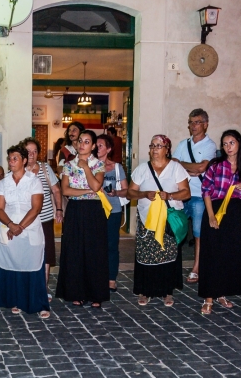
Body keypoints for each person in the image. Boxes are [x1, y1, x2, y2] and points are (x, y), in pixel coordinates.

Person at [127, 135, 190, 306]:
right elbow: (130, 193)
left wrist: (170, 195)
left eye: (159, 145)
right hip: (147, 220)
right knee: (146, 255)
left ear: (167, 149)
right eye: (152, 145)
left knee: (167, 254)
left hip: (168, 220)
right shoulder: (142, 169)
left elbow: (186, 192)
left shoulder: (176, 168)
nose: (155, 149)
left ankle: (166, 292)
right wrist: (143, 194)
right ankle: (145, 291)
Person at [0, 144, 49, 318]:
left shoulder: (34, 180)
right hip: (9, 226)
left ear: (24, 160)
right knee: (13, 265)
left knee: (32, 265)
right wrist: (11, 225)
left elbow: (36, 208)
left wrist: (20, 226)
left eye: (15, 158)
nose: (11, 161)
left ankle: (39, 303)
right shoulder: (4, 182)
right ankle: (17, 300)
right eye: (9, 158)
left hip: (29, 227)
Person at [199, 130, 241, 315]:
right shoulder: (216, 165)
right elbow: (206, 190)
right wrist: (211, 216)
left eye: (231, 143)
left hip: (236, 213)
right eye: (224, 144)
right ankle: (208, 297)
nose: (228, 147)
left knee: (229, 254)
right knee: (213, 253)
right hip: (216, 209)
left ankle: (221, 293)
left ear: (239, 143)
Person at [56, 130, 109, 308]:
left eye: (87, 142)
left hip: (94, 210)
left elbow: (97, 185)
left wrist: (85, 166)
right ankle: (75, 292)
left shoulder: (98, 165)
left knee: (94, 251)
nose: (82, 144)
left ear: (93, 146)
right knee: (74, 251)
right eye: (80, 141)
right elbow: (66, 190)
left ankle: (96, 294)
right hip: (75, 210)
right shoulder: (68, 165)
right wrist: (87, 191)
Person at [171, 109, 217, 285]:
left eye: (197, 122)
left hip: (198, 194)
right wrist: (190, 167)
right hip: (181, 193)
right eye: (191, 122)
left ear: (205, 124)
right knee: (176, 229)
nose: (193, 126)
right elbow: (173, 168)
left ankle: (196, 268)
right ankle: (172, 266)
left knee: (198, 233)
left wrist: (184, 165)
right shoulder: (183, 144)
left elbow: (201, 168)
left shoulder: (209, 145)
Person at [23, 137, 62, 300]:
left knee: (46, 255)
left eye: (35, 151)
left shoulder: (46, 168)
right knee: (27, 254)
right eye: (28, 151)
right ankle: (26, 287)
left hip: (45, 218)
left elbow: (56, 190)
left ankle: (43, 288)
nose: (32, 154)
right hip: (25, 220)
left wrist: (59, 209)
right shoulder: (18, 169)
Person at [96, 134, 128, 292]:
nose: (97, 147)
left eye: (100, 145)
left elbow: (126, 190)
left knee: (111, 245)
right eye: (96, 145)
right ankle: (96, 276)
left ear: (108, 149)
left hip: (113, 210)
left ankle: (111, 278)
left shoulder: (116, 168)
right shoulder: (90, 165)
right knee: (95, 244)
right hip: (94, 209)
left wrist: (116, 193)